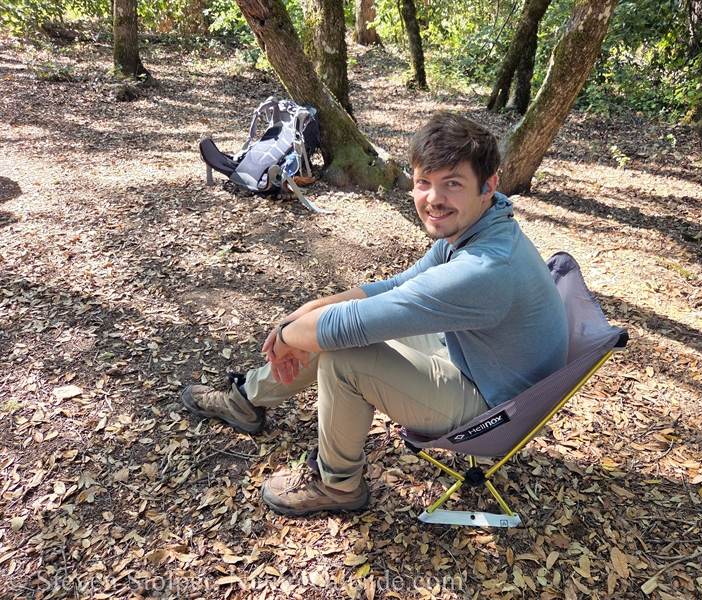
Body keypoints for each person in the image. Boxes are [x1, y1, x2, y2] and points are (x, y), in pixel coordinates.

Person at [181, 112, 569, 517]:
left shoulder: (484, 269)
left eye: (452, 184)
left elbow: (349, 327)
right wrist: (308, 311)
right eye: (424, 183)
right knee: (331, 325)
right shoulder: (482, 222)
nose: (433, 198)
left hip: (496, 407)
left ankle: (338, 485)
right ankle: (246, 400)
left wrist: (285, 336)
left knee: (343, 353)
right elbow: (398, 286)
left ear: (488, 185)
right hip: (481, 359)